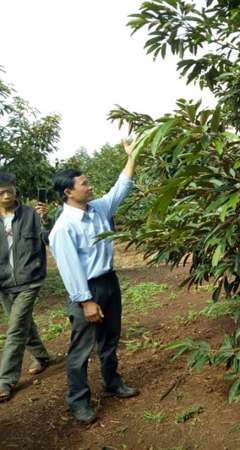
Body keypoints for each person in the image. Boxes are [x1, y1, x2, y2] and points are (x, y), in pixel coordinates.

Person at [49, 135, 139, 424]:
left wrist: (131, 156)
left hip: (109, 282)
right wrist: (86, 301)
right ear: (68, 192)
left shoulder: (98, 208)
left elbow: (120, 188)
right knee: (82, 348)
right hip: (85, 291)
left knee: (110, 338)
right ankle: (78, 400)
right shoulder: (64, 227)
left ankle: (111, 382)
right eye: (84, 184)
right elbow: (70, 268)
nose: (90, 187)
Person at [0, 172, 53, 402]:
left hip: (30, 279)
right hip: (3, 282)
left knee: (15, 328)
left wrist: (45, 221)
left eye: (9, 191)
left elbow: (49, 239)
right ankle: (41, 356)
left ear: (15, 190)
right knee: (22, 323)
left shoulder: (32, 213)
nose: (5, 196)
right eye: (0, 193)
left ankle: (5, 379)